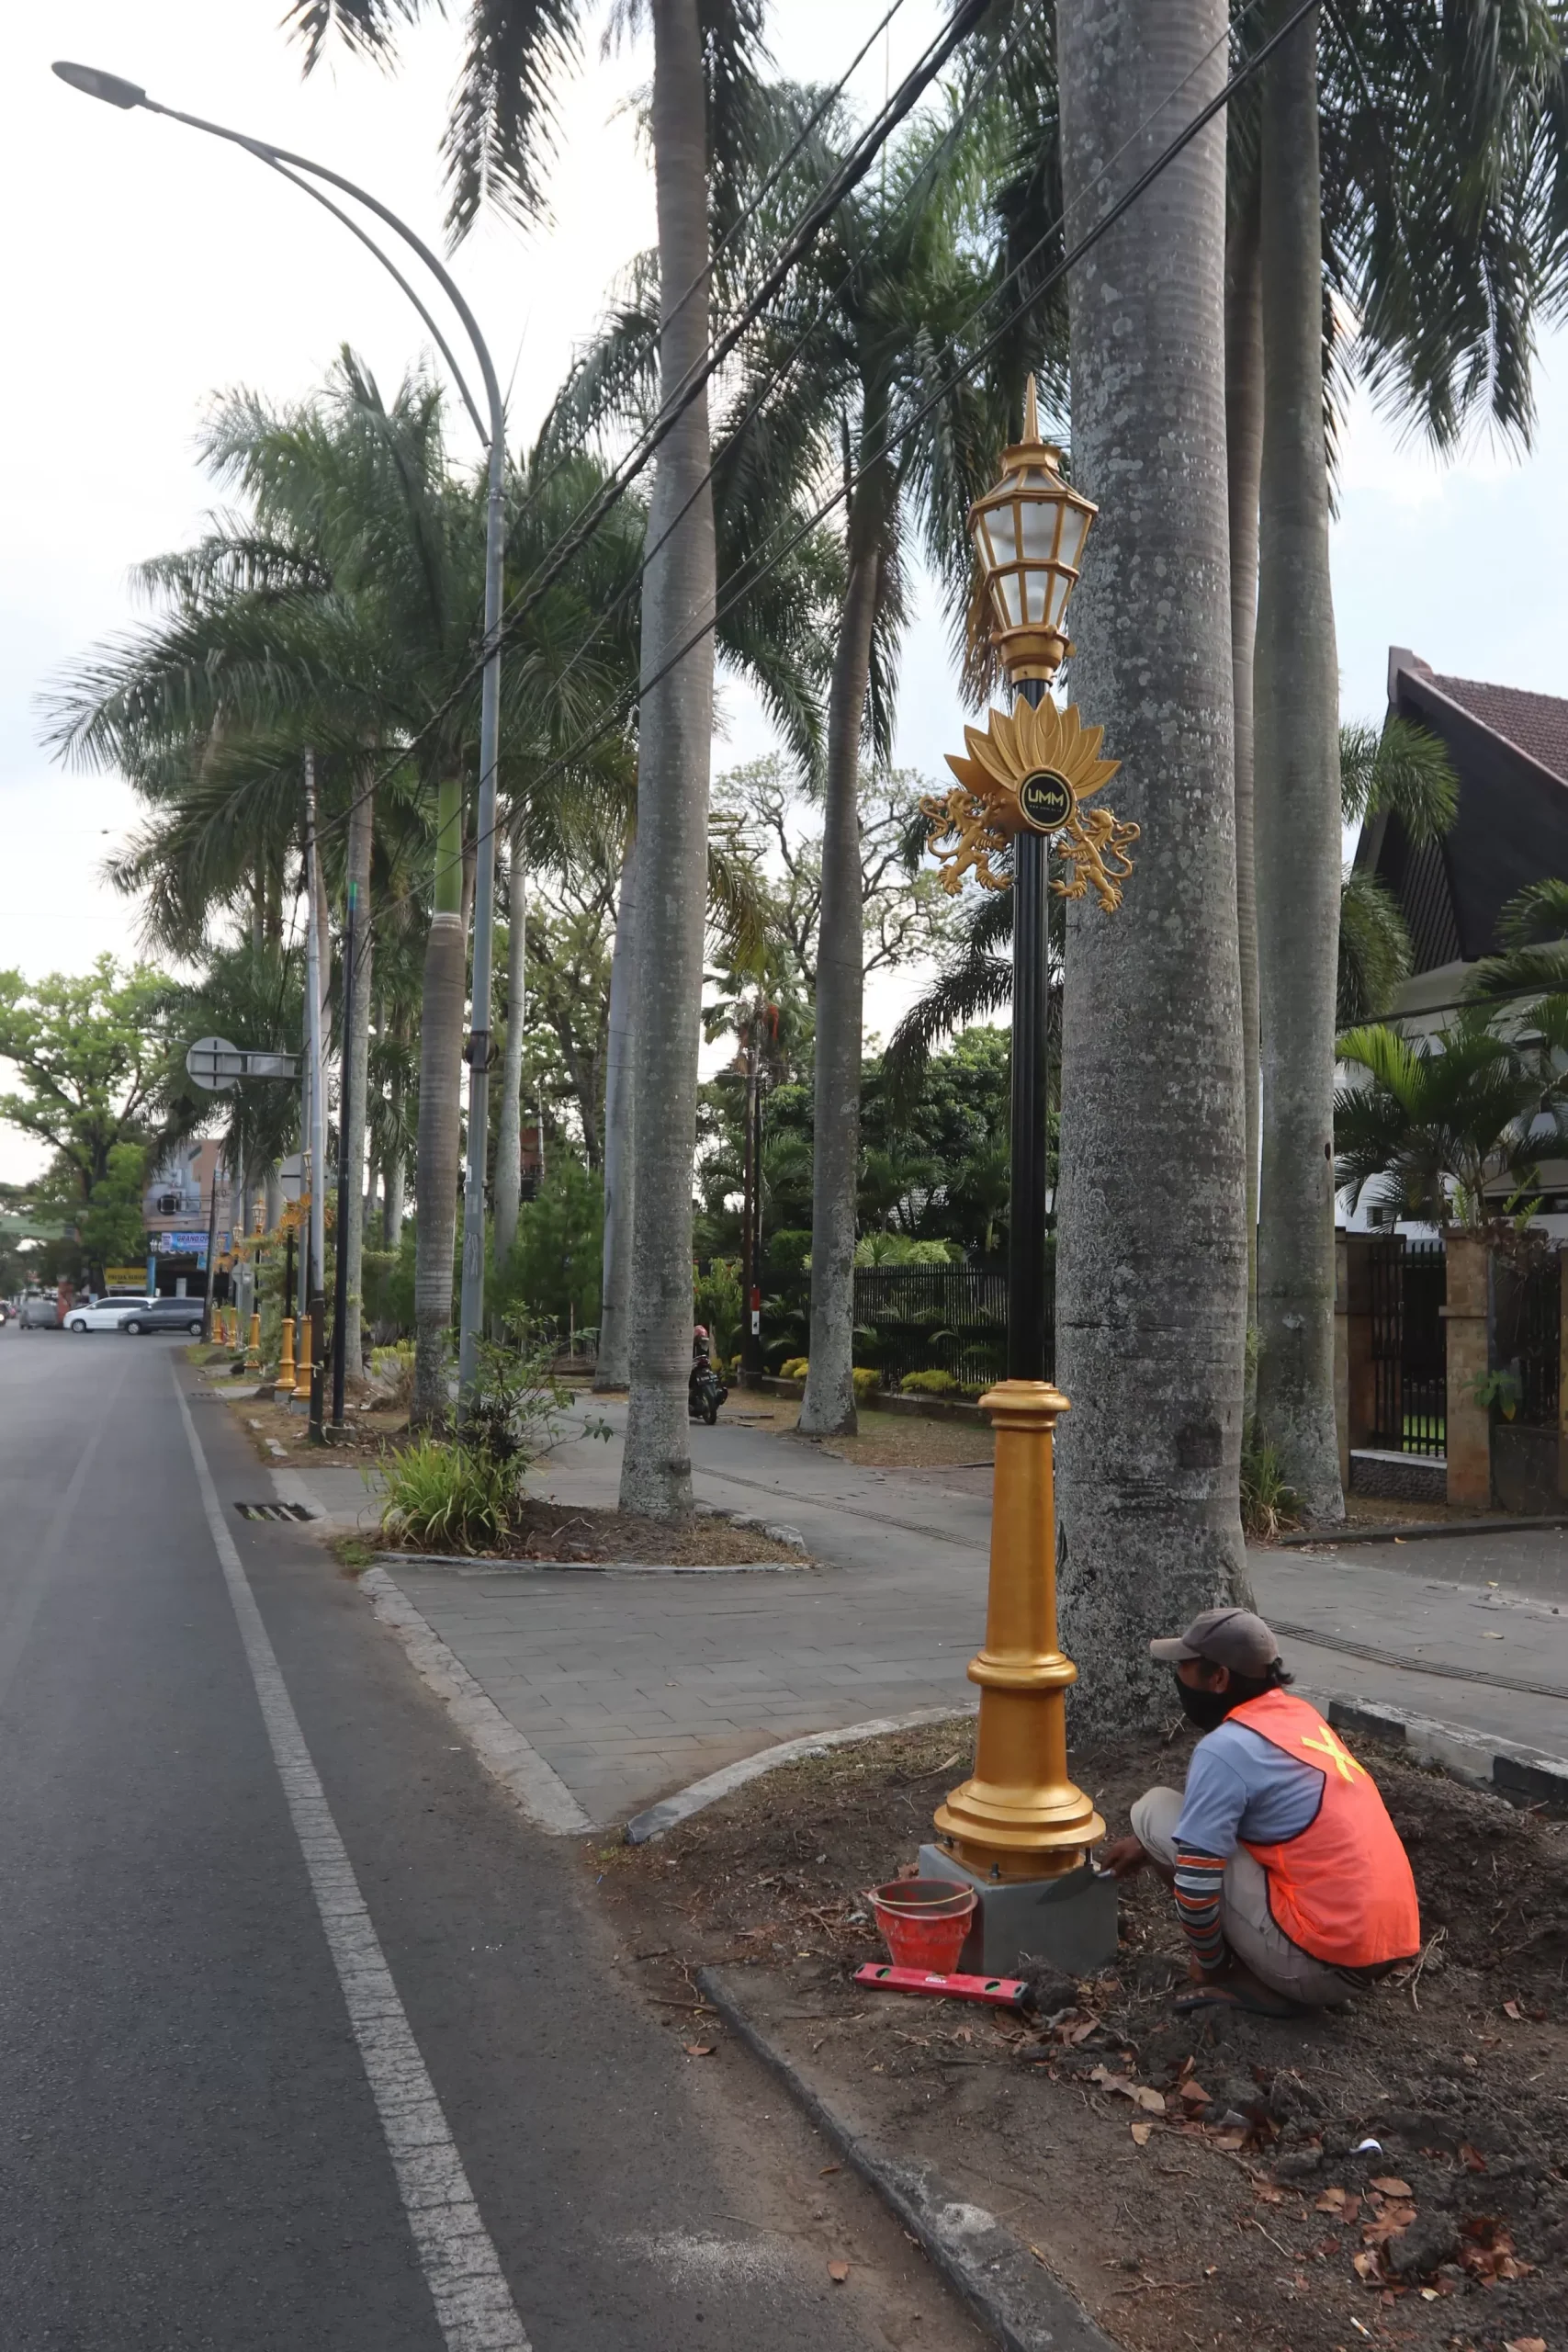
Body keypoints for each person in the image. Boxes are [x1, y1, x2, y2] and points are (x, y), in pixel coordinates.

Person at [1102, 1607, 1420, 2017]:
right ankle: (1295, 1973)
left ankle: (1258, 1985)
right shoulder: (1300, 1719)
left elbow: (1197, 1890)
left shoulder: (1225, 1747)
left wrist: (1208, 1966)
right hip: (1373, 1955)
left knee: (1153, 1810)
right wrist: (1146, 1847)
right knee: (1179, 1828)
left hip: (1317, 1966)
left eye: (1185, 1666)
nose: (1177, 1677)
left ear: (1218, 1678)